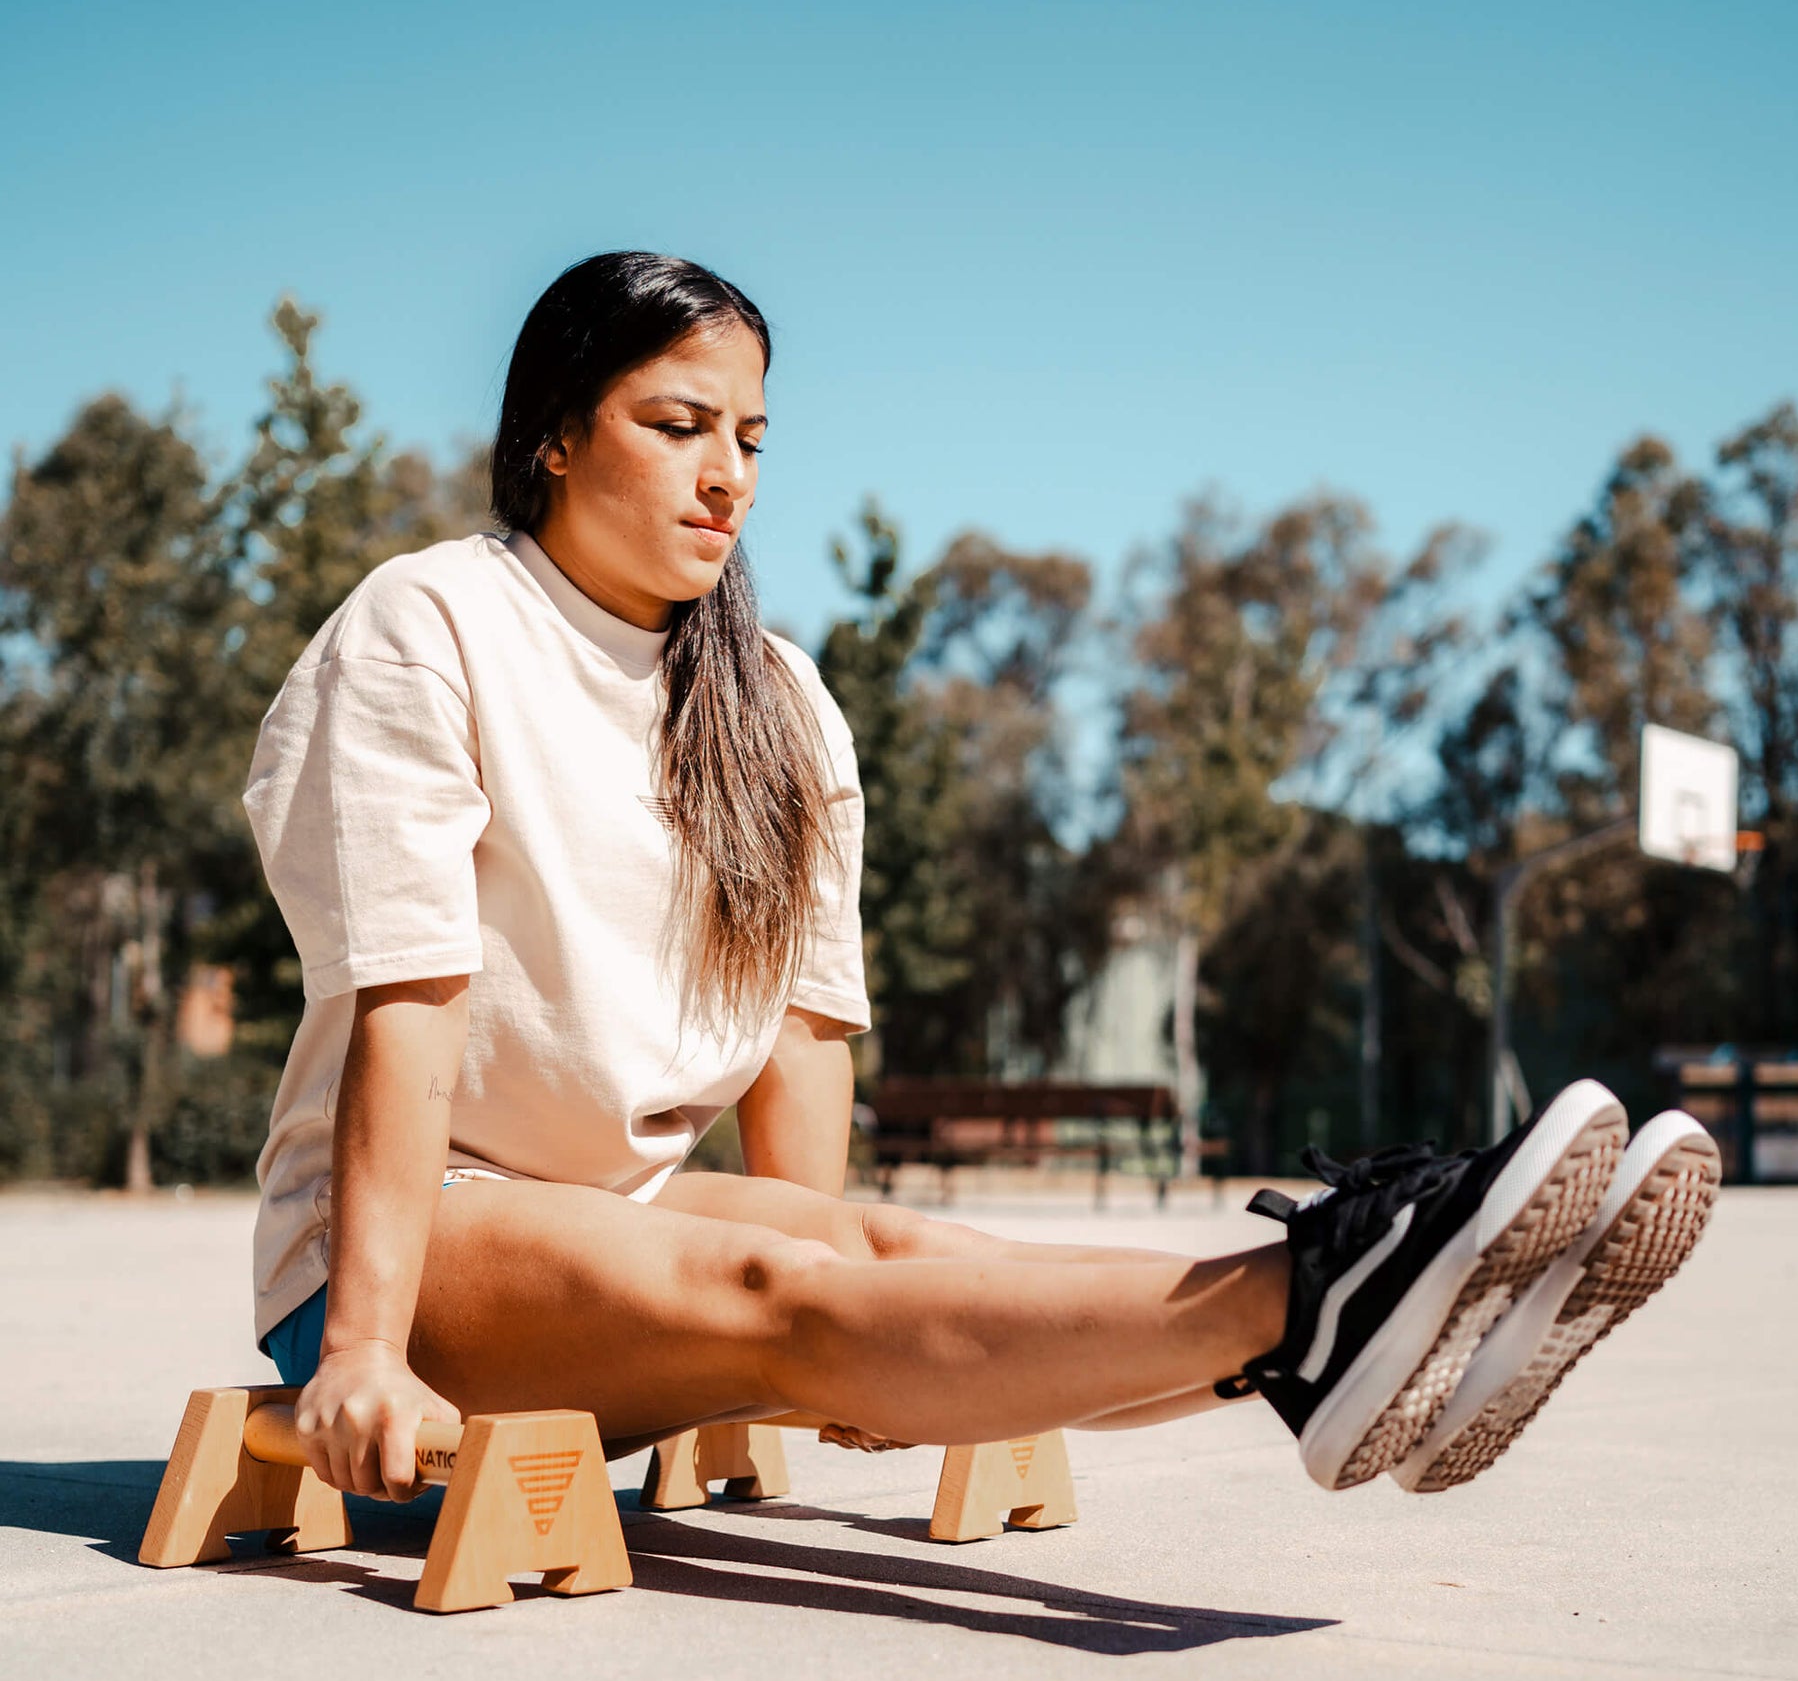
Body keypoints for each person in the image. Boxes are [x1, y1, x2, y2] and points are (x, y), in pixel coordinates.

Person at [246, 251, 1720, 1509]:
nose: (726, 478)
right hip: (408, 1246)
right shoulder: (432, 623)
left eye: (753, 437)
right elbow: (409, 999)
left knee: (883, 1250)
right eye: (678, 424)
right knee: (786, 1289)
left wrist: (843, 1321)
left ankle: (1339, 1335)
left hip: (625, 1231)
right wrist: (367, 1345)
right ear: (555, 436)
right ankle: (1352, 1283)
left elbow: (804, 1028)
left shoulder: (775, 701)